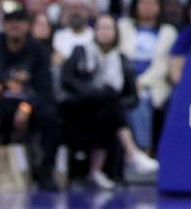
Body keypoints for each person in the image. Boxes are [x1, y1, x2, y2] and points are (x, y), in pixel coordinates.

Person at [60, 14, 159, 188]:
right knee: (110, 96)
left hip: (108, 111)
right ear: (95, 31)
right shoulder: (81, 52)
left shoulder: (122, 60)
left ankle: (95, 171)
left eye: (109, 28)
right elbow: (67, 80)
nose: (105, 32)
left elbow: (133, 97)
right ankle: (132, 152)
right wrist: (93, 94)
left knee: (109, 108)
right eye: (101, 28)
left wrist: (115, 103)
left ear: (116, 33)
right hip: (79, 105)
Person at [0, 0, 56, 189]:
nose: (14, 25)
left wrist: (27, 107)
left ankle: (44, 172)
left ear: (27, 25)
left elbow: (45, 89)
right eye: (10, 21)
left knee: (51, 116)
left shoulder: (38, 50)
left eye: (19, 21)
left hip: (28, 105)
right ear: (3, 24)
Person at [117, 0, 174, 154]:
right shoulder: (124, 26)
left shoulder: (168, 31)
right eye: (143, 2)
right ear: (136, 5)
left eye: (152, 3)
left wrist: (141, 82)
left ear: (159, 7)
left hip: (154, 84)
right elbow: (118, 55)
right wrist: (130, 82)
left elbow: (163, 66)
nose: (147, 6)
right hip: (124, 80)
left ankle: (143, 150)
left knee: (140, 100)